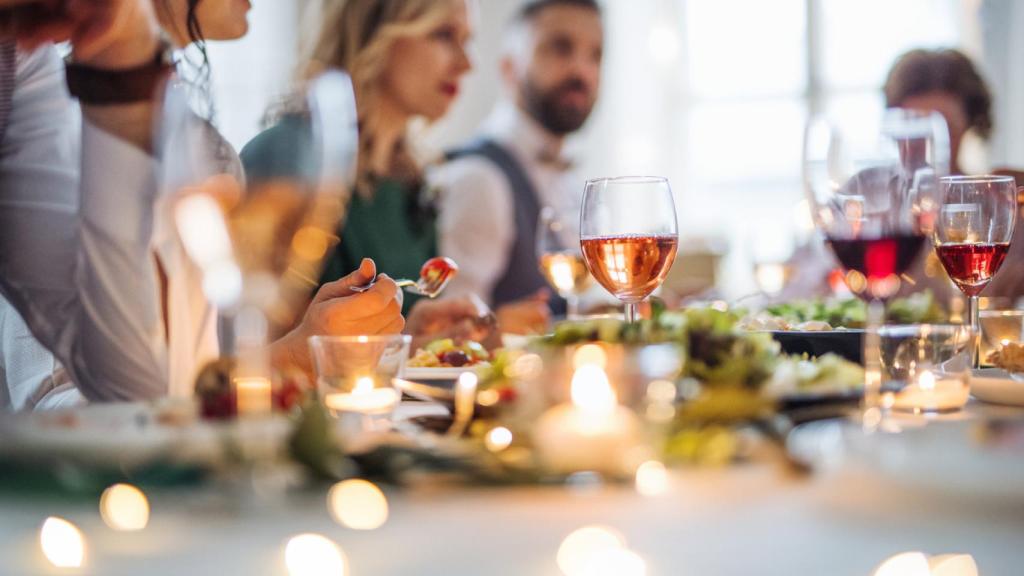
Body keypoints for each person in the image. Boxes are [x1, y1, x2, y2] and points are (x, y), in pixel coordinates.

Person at [0, 0, 403, 409]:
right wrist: (290, 360)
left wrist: (127, 62)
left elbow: (152, 385)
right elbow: (58, 400)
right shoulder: (66, 109)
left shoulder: (206, 150)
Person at [241, 0, 494, 340]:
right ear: (373, 34)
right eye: (444, 35)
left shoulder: (411, 178)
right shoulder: (288, 157)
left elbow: (385, 341)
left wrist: (415, 338)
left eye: (468, 40)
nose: (467, 64)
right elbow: (258, 349)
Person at [433, 0, 603, 323]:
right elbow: (456, 332)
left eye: (595, 55)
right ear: (509, 67)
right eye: (560, 48)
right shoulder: (480, 177)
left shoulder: (566, 175)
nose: (582, 71)